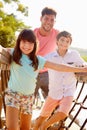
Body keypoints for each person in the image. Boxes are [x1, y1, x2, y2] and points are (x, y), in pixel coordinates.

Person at [33, 31, 87, 130]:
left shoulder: (74, 54)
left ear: (70, 44)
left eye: (67, 41)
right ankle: (38, 126)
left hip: (68, 91)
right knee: (41, 118)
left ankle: (45, 126)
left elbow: (84, 64)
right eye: (62, 40)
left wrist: (84, 67)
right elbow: (37, 65)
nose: (64, 43)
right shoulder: (49, 57)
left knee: (63, 113)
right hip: (54, 92)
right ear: (57, 41)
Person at [34, 7, 59, 98]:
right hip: (33, 72)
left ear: (54, 22)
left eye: (52, 20)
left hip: (48, 73)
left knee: (56, 100)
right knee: (27, 102)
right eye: (46, 18)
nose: (49, 22)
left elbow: (65, 50)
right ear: (41, 19)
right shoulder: (33, 34)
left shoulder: (57, 35)